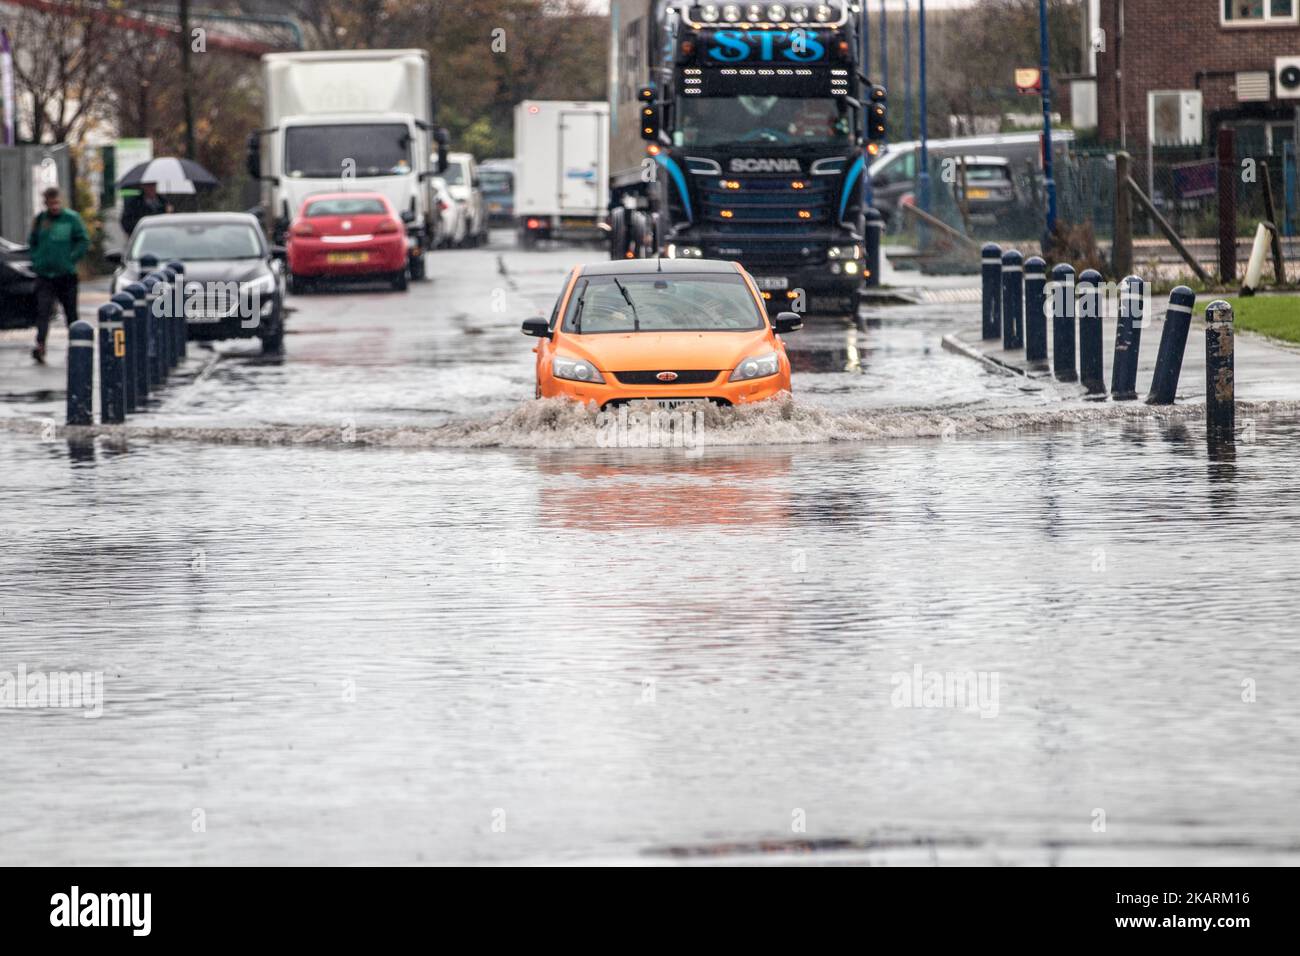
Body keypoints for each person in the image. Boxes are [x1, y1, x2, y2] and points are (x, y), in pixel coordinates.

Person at [27, 186, 89, 365]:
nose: (54, 206)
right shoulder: (40, 220)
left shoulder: (71, 219)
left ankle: (76, 345)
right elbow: (33, 242)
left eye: (56, 202)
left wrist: (71, 258)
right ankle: (40, 345)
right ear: (46, 203)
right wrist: (37, 259)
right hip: (45, 275)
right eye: (50, 203)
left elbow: (83, 240)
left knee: (70, 312)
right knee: (43, 311)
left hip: (66, 274)